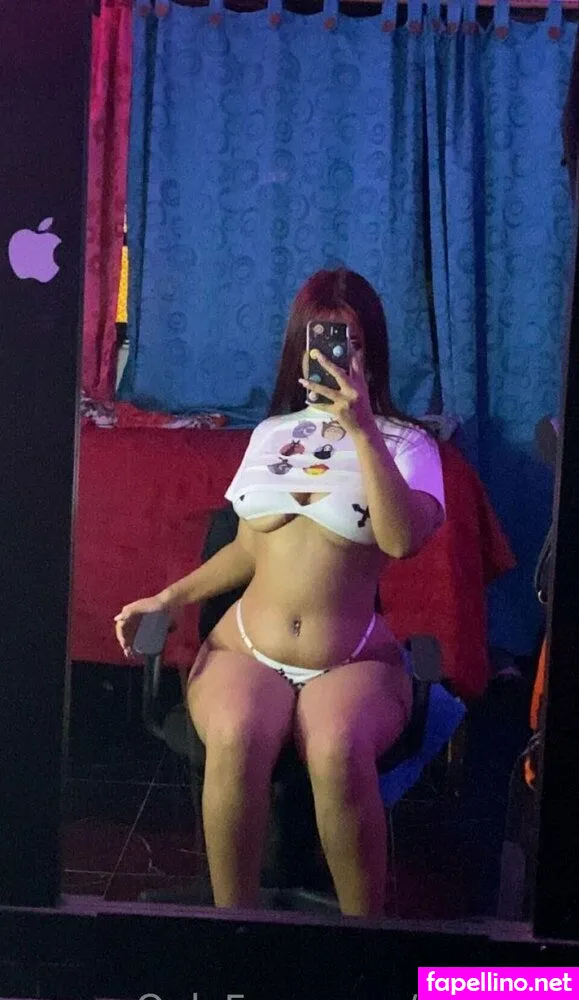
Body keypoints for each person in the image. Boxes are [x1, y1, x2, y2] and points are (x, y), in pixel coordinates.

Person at [114, 268, 446, 917]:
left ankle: (364, 942)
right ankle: (235, 933)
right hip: (245, 647)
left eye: (349, 343)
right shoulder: (271, 435)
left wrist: (363, 430)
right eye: (320, 342)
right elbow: (246, 548)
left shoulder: (408, 445)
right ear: (299, 350)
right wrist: (167, 599)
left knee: (337, 747)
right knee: (237, 733)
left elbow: (403, 539)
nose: (334, 358)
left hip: (349, 658)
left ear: (371, 351)